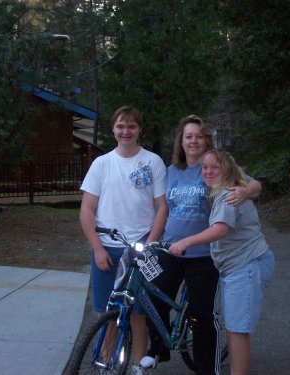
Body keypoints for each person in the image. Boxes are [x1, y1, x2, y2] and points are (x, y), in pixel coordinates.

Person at [141, 115, 262, 375]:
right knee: (151, 292)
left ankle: (207, 369)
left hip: (203, 255)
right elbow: (163, 211)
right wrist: (151, 244)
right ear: (181, 142)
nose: (193, 141)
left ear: (206, 140)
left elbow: (255, 185)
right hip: (171, 249)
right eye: (188, 136)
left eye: (198, 136)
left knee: (201, 316)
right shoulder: (171, 172)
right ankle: (159, 348)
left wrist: (244, 191)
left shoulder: (213, 166)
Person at [169, 150, 275, 375]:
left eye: (214, 167)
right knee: (235, 328)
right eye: (204, 167)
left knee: (237, 330)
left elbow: (220, 229)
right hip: (236, 266)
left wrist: (185, 242)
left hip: (245, 264)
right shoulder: (222, 192)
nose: (208, 172)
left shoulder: (227, 194)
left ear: (226, 170)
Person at [80, 105, 168, 375]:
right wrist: (97, 248)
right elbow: (86, 209)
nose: (126, 131)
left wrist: (150, 246)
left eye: (131, 126)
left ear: (139, 129)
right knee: (107, 313)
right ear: (113, 130)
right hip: (108, 247)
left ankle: (137, 365)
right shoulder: (102, 164)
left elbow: (161, 207)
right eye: (120, 126)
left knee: (139, 313)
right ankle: (105, 364)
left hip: (140, 248)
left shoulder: (152, 161)